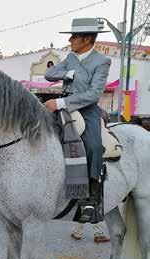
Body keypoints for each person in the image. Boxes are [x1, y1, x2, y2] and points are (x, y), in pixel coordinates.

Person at [45, 18, 111, 224]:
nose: (71, 40)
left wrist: (62, 102)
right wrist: (69, 73)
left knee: (94, 146)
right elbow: (48, 74)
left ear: (88, 39)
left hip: (87, 109)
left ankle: (90, 200)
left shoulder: (102, 61)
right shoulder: (71, 58)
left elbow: (93, 94)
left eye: (74, 37)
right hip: (61, 104)